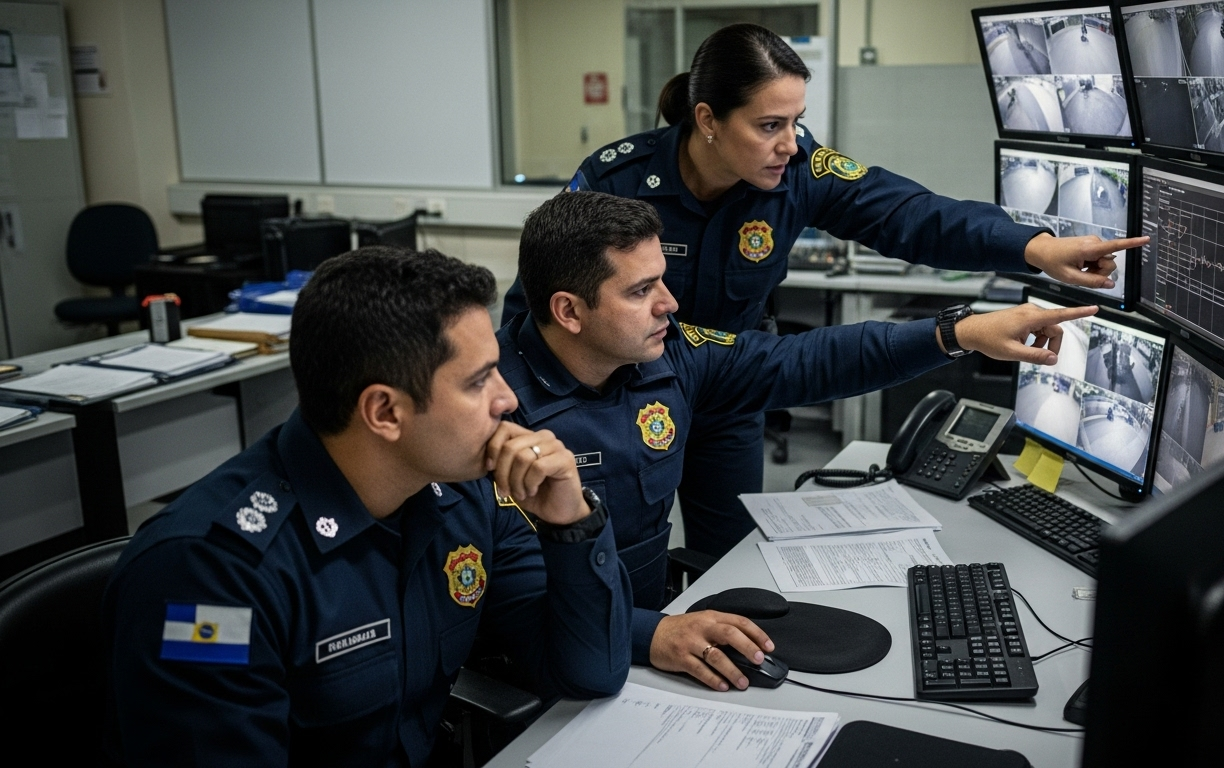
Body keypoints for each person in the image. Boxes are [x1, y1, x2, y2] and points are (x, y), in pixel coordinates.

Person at [101, 248, 775, 767]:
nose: (508, 401)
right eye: (480, 381)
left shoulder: (459, 493)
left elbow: (588, 668)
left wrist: (571, 524)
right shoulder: (210, 576)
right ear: (385, 412)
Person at [500, 23, 1147, 561]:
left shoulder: (797, 171)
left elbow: (911, 215)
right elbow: (539, 304)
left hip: (731, 380)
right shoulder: (620, 179)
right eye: (769, 125)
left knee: (729, 559)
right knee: (602, 560)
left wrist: (1031, 247)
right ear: (708, 121)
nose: (791, 142)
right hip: (607, 398)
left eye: (797, 121)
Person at [496, 191, 1096, 619]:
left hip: (651, 635)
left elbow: (805, 360)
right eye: (640, 290)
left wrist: (958, 331)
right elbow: (516, 607)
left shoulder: (666, 357)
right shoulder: (491, 411)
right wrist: (654, 637)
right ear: (569, 311)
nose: (670, 304)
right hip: (563, 666)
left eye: (662, 280)